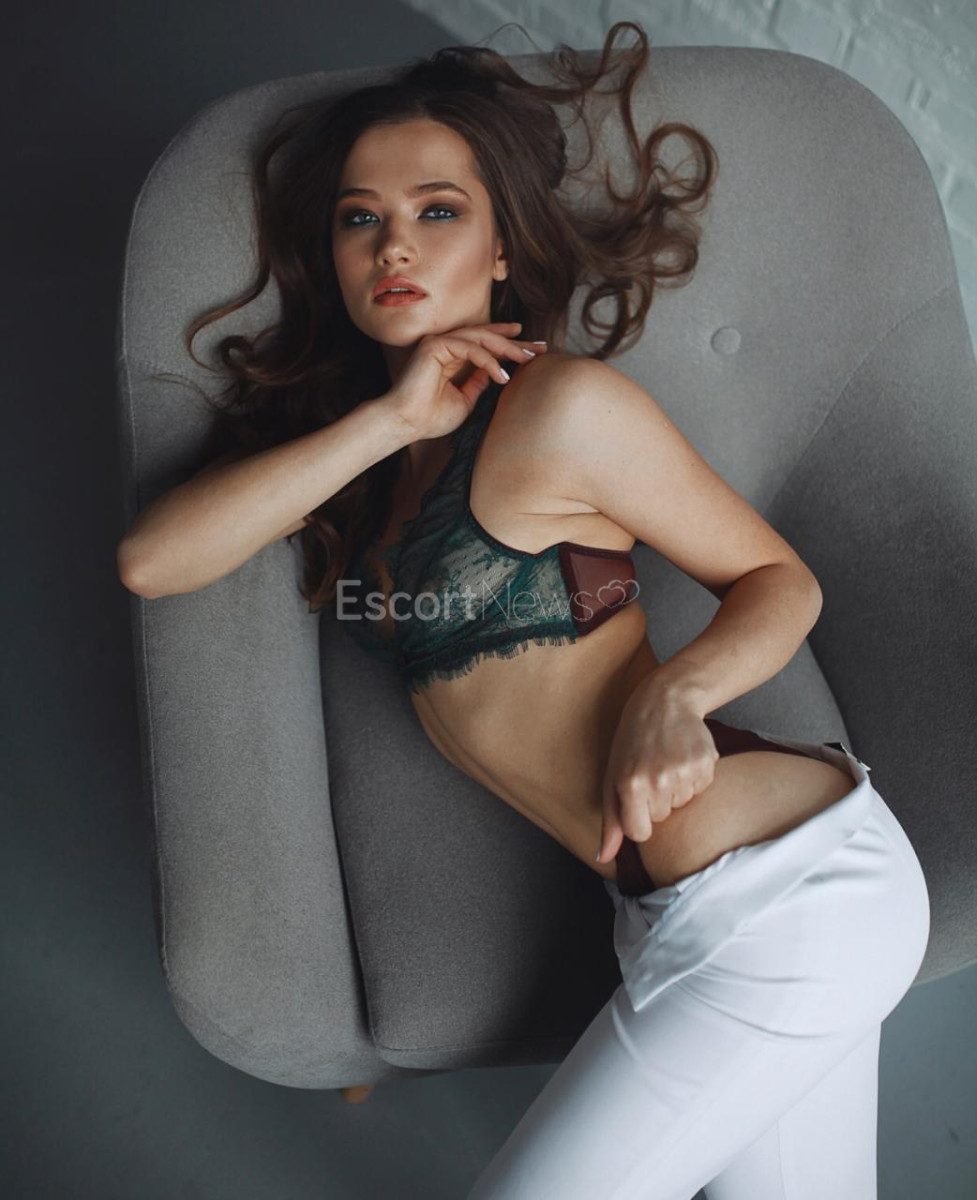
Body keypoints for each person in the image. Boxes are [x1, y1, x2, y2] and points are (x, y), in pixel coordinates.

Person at [116, 21, 931, 1198]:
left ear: (501, 247)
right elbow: (154, 560)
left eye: (437, 210)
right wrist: (390, 420)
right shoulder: (379, 463)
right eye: (359, 218)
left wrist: (677, 691)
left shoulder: (559, 411)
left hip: (785, 892)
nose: (394, 243)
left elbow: (778, 581)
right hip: (678, 916)